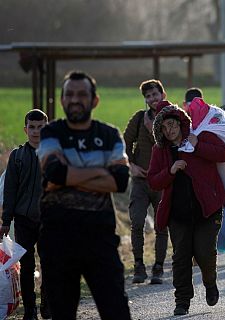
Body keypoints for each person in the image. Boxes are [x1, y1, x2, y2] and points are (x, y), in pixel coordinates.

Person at [37, 71, 131, 319]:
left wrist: (70, 175)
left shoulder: (109, 134)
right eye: (69, 94)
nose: (75, 99)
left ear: (94, 100)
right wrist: (101, 172)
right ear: (61, 101)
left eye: (81, 94)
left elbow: (120, 180)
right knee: (62, 314)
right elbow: (54, 173)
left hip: (100, 237)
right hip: (58, 239)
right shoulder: (51, 133)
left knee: (117, 312)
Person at [147, 101, 225, 316]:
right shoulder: (160, 150)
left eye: (172, 124)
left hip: (207, 210)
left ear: (181, 122)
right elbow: (153, 181)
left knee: (204, 253)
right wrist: (170, 170)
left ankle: (210, 284)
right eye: (164, 128)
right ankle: (182, 301)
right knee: (181, 258)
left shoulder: (199, 135)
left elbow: (223, 154)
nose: (169, 130)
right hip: (178, 214)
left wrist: (198, 145)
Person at [1, 109, 50, 320]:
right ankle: (30, 310)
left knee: (49, 263)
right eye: (32, 127)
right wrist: (6, 221)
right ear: (25, 129)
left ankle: (47, 304)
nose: (36, 131)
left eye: (41, 127)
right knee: (27, 265)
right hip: (23, 219)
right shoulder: (17, 156)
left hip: (49, 220)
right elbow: (10, 190)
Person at [124, 79, 169, 284]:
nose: (152, 99)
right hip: (141, 181)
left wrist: (155, 129)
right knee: (137, 222)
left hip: (162, 181)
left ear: (163, 95)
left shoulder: (173, 116)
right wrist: (131, 164)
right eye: (148, 96)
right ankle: (139, 266)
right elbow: (124, 143)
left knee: (161, 225)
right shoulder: (139, 118)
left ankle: (158, 267)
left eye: (155, 94)